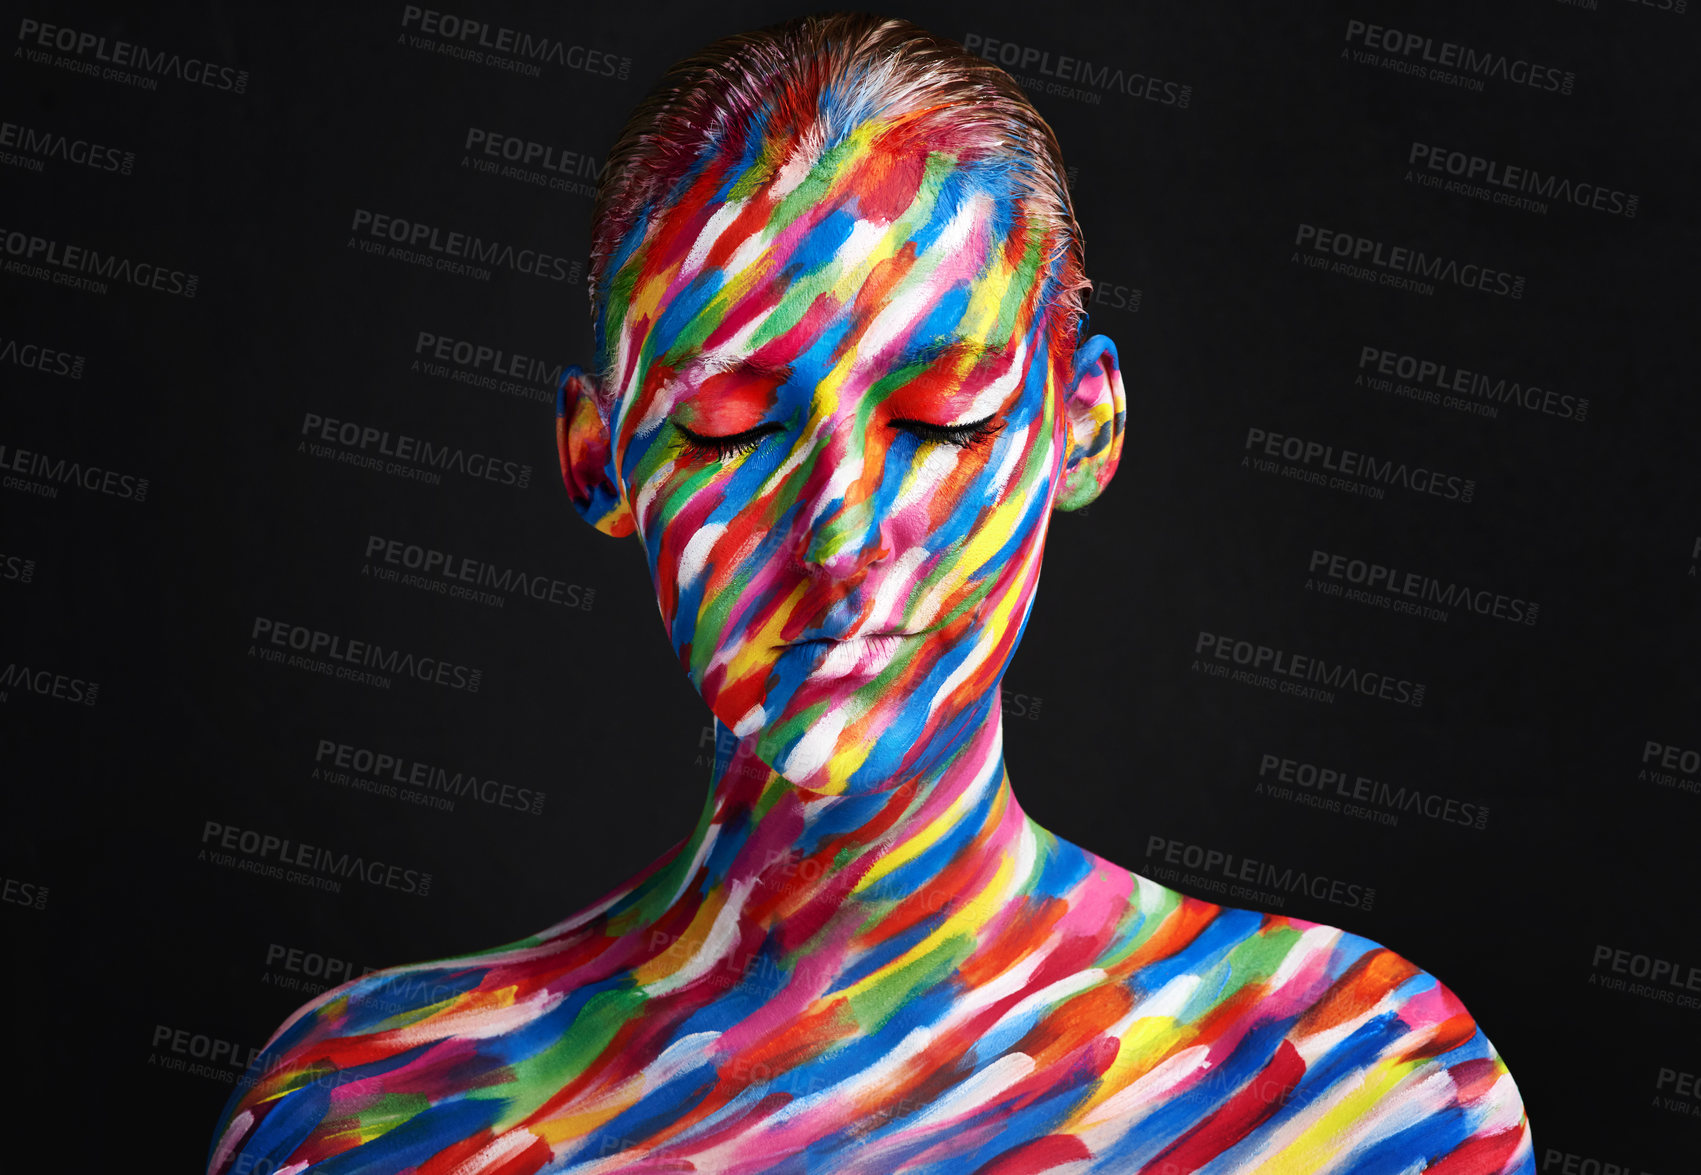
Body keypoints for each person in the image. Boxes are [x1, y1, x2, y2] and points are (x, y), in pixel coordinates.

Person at [207, 14, 1533, 1173]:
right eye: (727, 429)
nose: (841, 534)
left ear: (1079, 425)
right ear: (599, 460)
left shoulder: (1349, 1090)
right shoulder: (375, 1119)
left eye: (939, 418)